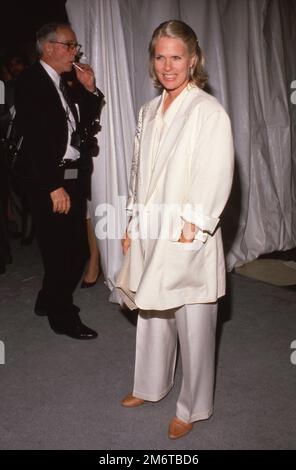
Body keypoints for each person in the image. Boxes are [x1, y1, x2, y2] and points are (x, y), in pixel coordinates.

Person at [116, 20, 234, 439]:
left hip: (187, 234)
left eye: (176, 57)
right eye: (160, 56)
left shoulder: (208, 111)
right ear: (153, 60)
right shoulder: (148, 110)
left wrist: (193, 230)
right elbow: (138, 173)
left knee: (195, 324)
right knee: (152, 313)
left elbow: (217, 173)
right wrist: (131, 219)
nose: (168, 66)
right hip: (150, 229)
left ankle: (193, 406)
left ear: (193, 59)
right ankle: (150, 386)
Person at [14, 22, 104, 339]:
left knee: (69, 248)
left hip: (71, 176)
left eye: (75, 46)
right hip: (49, 180)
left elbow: (83, 124)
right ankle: (62, 315)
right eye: (70, 45)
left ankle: (46, 299)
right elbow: (36, 139)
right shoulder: (30, 82)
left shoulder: (62, 81)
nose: (75, 52)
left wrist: (89, 88)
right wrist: (53, 185)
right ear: (49, 46)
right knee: (67, 251)